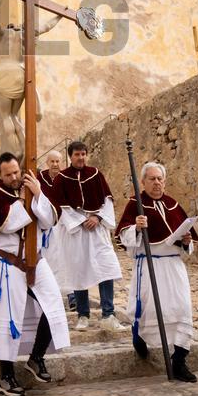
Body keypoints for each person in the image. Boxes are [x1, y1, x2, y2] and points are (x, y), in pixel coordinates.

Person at [0, 152, 70, 396]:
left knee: (54, 308)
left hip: (37, 260)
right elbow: (7, 223)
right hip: (9, 264)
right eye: (8, 174)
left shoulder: (31, 189)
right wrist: (23, 200)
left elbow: (49, 219)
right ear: (0, 174)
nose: (14, 177)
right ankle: (6, 377)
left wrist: (38, 193)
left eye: (17, 172)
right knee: (8, 320)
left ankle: (36, 358)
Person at [116, 161, 198, 383]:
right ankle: (140, 340)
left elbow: (187, 242)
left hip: (173, 266)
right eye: (152, 179)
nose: (157, 183)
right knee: (149, 311)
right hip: (150, 263)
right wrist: (136, 227)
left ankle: (179, 360)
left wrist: (186, 240)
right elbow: (123, 236)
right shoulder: (136, 204)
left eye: (160, 178)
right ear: (142, 182)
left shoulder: (173, 204)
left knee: (182, 309)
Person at [51, 141, 124, 332]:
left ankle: (108, 314)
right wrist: (81, 220)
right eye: (77, 154)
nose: (81, 157)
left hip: (97, 229)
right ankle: (83, 315)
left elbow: (107, 199)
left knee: (106, 269)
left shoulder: (96, 174)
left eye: (83, 154)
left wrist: (98, 217)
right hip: (76, 232)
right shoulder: (61, 178)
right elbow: (61, 206)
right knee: (79, 270)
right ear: (70, 156)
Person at [36, 151, 68, 291]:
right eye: (52, 161)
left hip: (64, 225)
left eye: (57, 161)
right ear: (47, 163)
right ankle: (49, 290)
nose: (55, 164)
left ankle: (70, 292)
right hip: (45, 226)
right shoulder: (40, 179)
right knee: (48, 260)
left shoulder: (67, 178)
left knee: (65, 260)